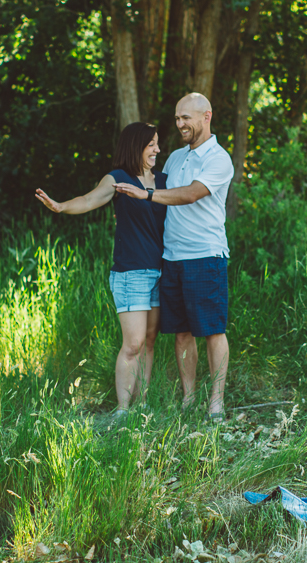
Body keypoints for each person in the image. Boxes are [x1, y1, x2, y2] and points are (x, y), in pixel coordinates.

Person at [113, 93, 234, 422]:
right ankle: (188, 398)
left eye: (186, 118)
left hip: (205, 255)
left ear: (206, 116)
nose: (180, 124)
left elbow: (191, 193)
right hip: (172, 258)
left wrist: (147, 194)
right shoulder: (176, 158)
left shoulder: (219, 159)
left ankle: (216, 403)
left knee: (212, 330)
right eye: (177, 118)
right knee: (181, 332)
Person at [35, 122, 166, 417]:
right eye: (151, 145)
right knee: (133, 343)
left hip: (160, 271)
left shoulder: (164, 180)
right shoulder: (118, 178)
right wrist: (60, 206)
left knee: (149, 341)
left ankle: (142, 406)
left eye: (157, 143)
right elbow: (90, 199)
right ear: (136, 147)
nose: (158, 149)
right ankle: (122, 410)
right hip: (131, 273)